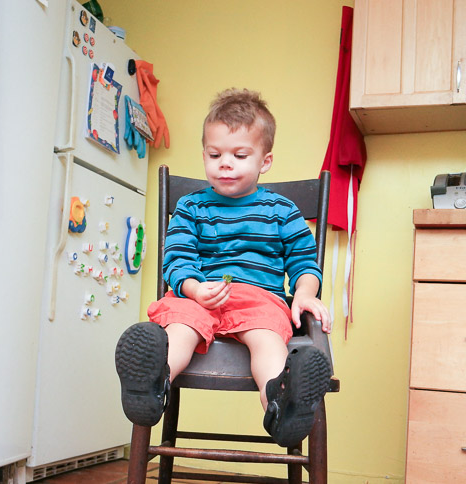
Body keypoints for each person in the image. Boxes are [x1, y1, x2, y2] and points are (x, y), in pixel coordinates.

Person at [115, 88, 331, 447]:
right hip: (200, 294)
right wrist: (194, 288)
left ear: (265, 161)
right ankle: (151, 386)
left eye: (239, 154)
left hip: (258, 299)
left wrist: (305, 294)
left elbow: (303, 262)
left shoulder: (283, 211)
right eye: (215, 154)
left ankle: (280, 403)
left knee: (268, 340)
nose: (225, 163)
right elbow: (177, 258)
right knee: (181, 325)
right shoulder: (190, 207)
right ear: (204, 155)